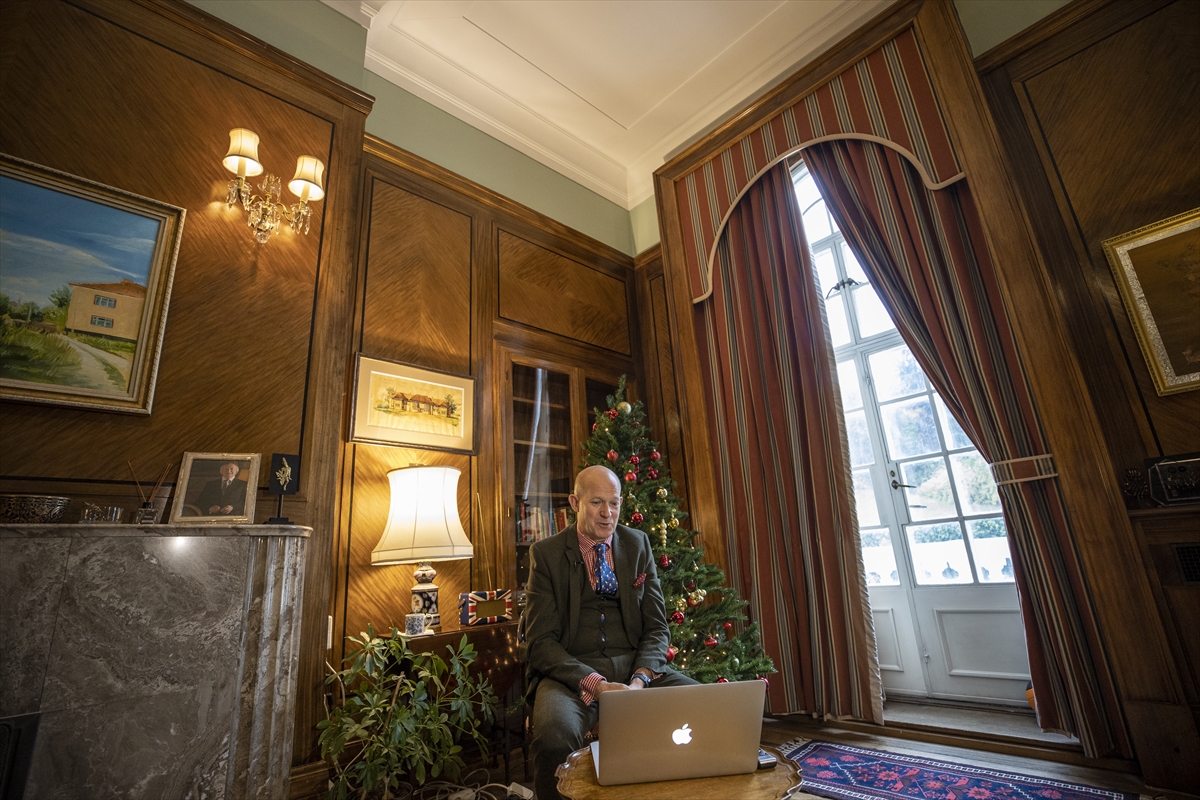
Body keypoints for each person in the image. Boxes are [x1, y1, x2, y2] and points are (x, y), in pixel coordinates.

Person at [522, 465, 697, 799]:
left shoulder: (637, 544)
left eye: (614, 503)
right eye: (597, 503)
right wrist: (597, 685)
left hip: (634, 671)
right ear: (575, 503)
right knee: (554, 737)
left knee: (704, 706)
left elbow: (657, 627)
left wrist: (639, 681)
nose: (608, 513)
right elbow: (541, 643)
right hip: (570, 676)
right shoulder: (546, 554)